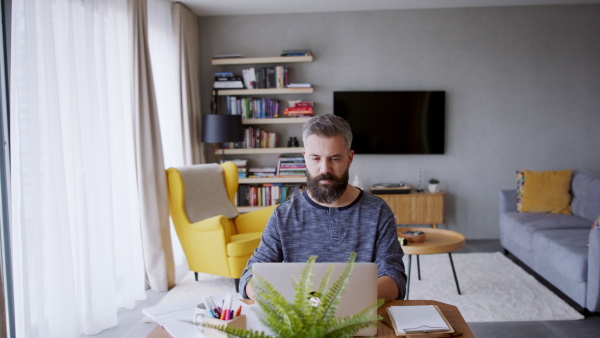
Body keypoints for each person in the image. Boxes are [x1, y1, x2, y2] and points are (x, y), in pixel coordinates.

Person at [239, 114, 407, 302]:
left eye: (335, 159)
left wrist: (339, 298)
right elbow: (250, 275)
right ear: (305, 158)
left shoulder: (378, 211)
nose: (324, 169)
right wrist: (264, 290)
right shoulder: (283, 216)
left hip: (360, 318)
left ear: (350, 158)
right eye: (316, 158)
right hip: (300, 321)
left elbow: (395, 278)